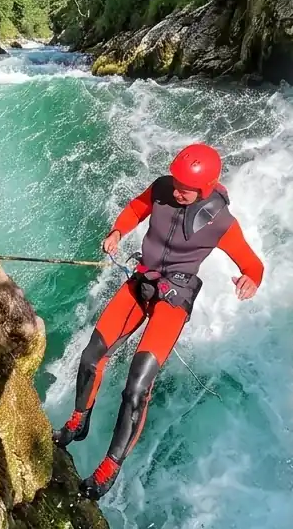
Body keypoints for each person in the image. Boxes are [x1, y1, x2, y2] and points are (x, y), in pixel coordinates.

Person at [53, 143, 264, 499]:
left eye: (186, 187)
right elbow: (137, 207)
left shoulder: (221, 223)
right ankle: (79, 420)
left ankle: (110, 466)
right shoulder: (163, 189)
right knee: (91, 356)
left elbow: (252, 264)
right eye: (176, 182)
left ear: (207, 187)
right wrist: (118, 231)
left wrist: (250, 281)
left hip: (174, 299)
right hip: (141, 282)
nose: (176, 190)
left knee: (136, 387)